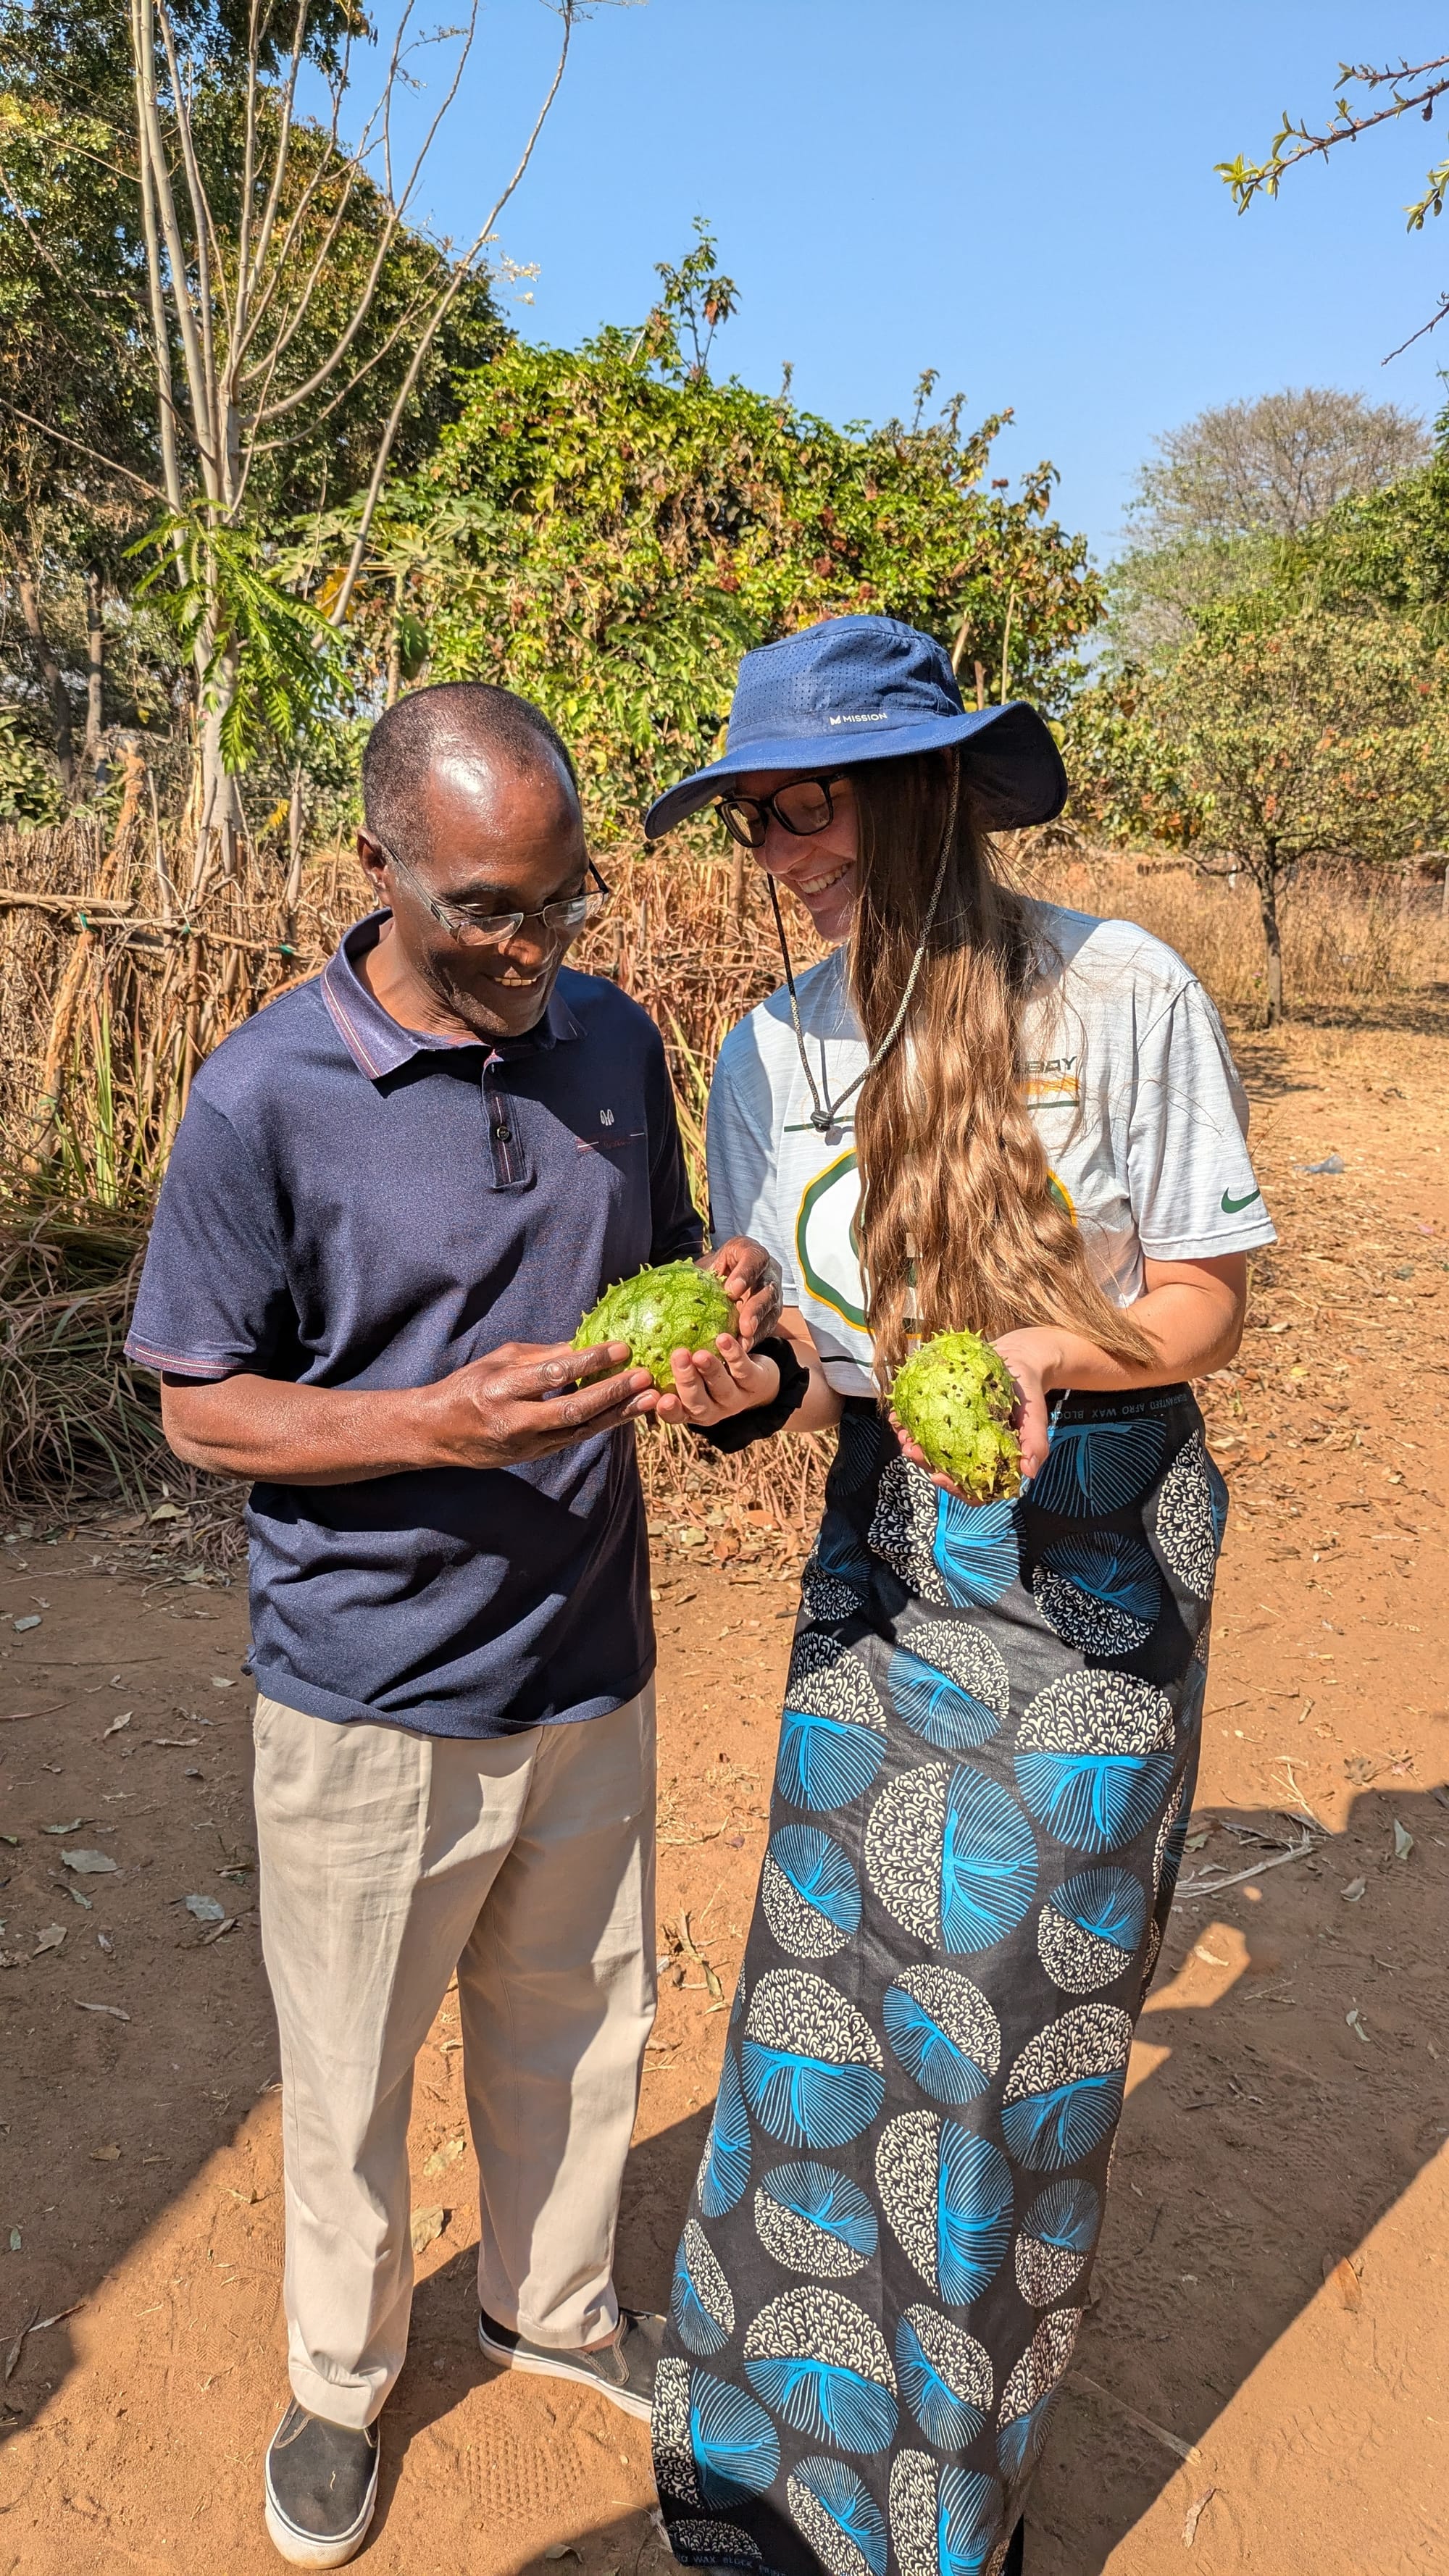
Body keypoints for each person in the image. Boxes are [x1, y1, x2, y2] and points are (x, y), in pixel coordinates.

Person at [638, 616, 1276, 2576]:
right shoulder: (772, 1047)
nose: (778, 844)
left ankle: (942, 2511)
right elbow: (790, 1353)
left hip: (1089, 1562)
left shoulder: (1118, 987)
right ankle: (763, 2480)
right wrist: (717, 1366)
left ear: (925, 789)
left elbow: (1209, 1301)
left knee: (1012, 2039)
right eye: (751, 814)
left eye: (810, 801)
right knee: (816, 2010)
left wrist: (1038, 1354)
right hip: (888, 1558)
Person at [124, 681, 783, 2570]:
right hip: (368, 1693)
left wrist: (715, 1315)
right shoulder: (266, 1094)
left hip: (590, 1654)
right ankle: (343, 2375)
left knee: (578, 2022)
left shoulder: (607, 1039)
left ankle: (550, 2302)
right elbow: (198, 1403)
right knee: (347, 2072)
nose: (530, 949)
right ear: (379, 868)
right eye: (489, 907)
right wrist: (435, 1418)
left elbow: (659, 1274)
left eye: (560, 904)